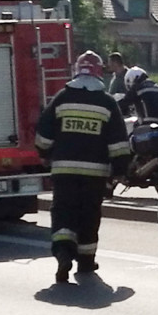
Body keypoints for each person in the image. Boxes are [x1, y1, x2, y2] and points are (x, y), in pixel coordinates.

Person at [35, 50, 131, 283]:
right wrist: (119, 172)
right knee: (89, 215)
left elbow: (42, 137)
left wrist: (45, 154)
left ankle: (63, 253)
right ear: (99, 73)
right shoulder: (107, 102)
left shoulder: (61, 98)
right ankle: (86, 261)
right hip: (94, 175)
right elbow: (119, 144)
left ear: (77, 71)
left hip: (64, 172)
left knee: (63, 213)